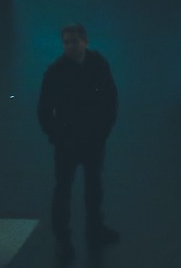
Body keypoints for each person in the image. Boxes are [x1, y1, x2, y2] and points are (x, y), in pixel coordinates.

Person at [38, 23, 120, 255]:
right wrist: (102, 130)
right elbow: (110, 100)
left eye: (73, 41)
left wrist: (57, 135)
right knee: (83, 185)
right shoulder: (93, 65)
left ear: (84, 41)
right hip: (81, 140)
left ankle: (67, 237)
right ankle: (87, 230)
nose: (70, 46)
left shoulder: (57, 72)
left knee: (73, 187)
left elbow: (45, 112)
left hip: (79, 140)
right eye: (67, 43)